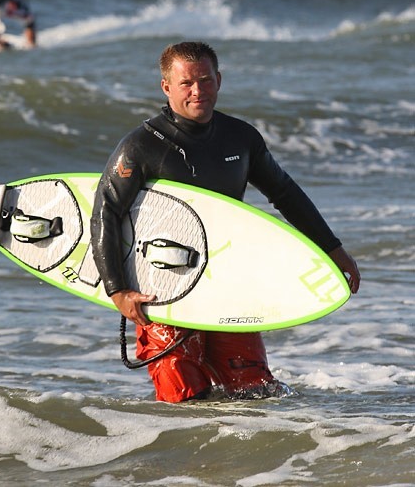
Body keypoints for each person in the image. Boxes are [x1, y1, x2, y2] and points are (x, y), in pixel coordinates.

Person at [90, 41, 361, 403]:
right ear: (166, 86)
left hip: (227, 281)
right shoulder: (141, 146)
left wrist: (333, 250)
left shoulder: (241, 137)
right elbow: (105, 212)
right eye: (186, 83)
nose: (198, 91)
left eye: (205, 80)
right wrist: (118, 290)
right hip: (163, 286)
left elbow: (286, 194)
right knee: (183, 399)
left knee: (253, 391)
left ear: (219, 80)